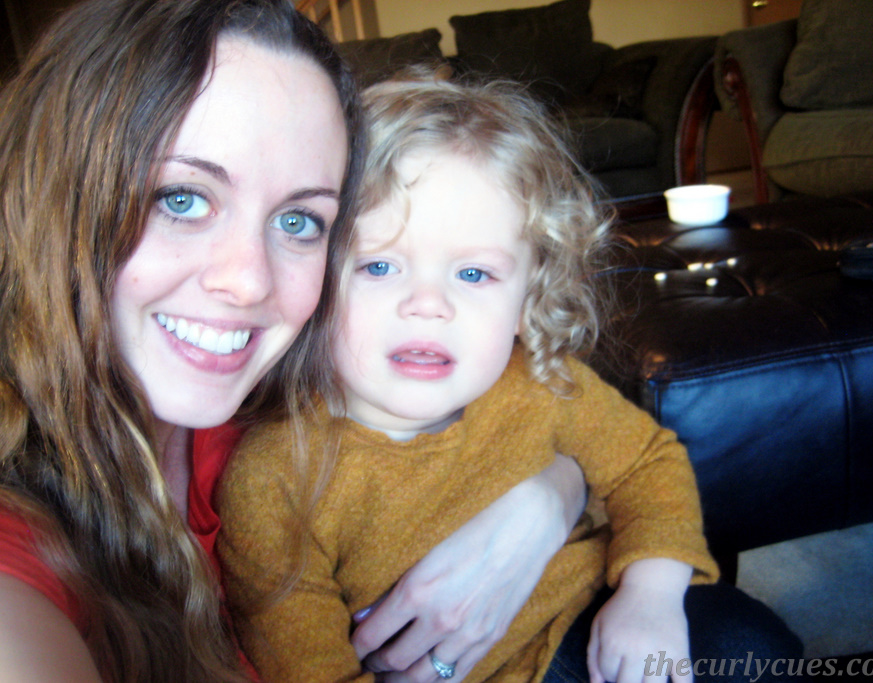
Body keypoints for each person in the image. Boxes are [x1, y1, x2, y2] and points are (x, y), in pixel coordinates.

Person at [0, 1, 594, 681]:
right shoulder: (21, 548)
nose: (250, 280)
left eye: (299, 221)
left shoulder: (286, 400)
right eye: (182, 198)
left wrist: (549, 499)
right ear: (54, 198)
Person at [216, 74, 803, 683]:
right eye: (380, 266)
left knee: (753, 646)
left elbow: (648, 464)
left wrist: (650, 594)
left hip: (595, 618)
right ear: (312, 277)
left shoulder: (541, 381)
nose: (428, 305)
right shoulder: (273, 482)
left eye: (473, 274)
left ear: (529, 298)